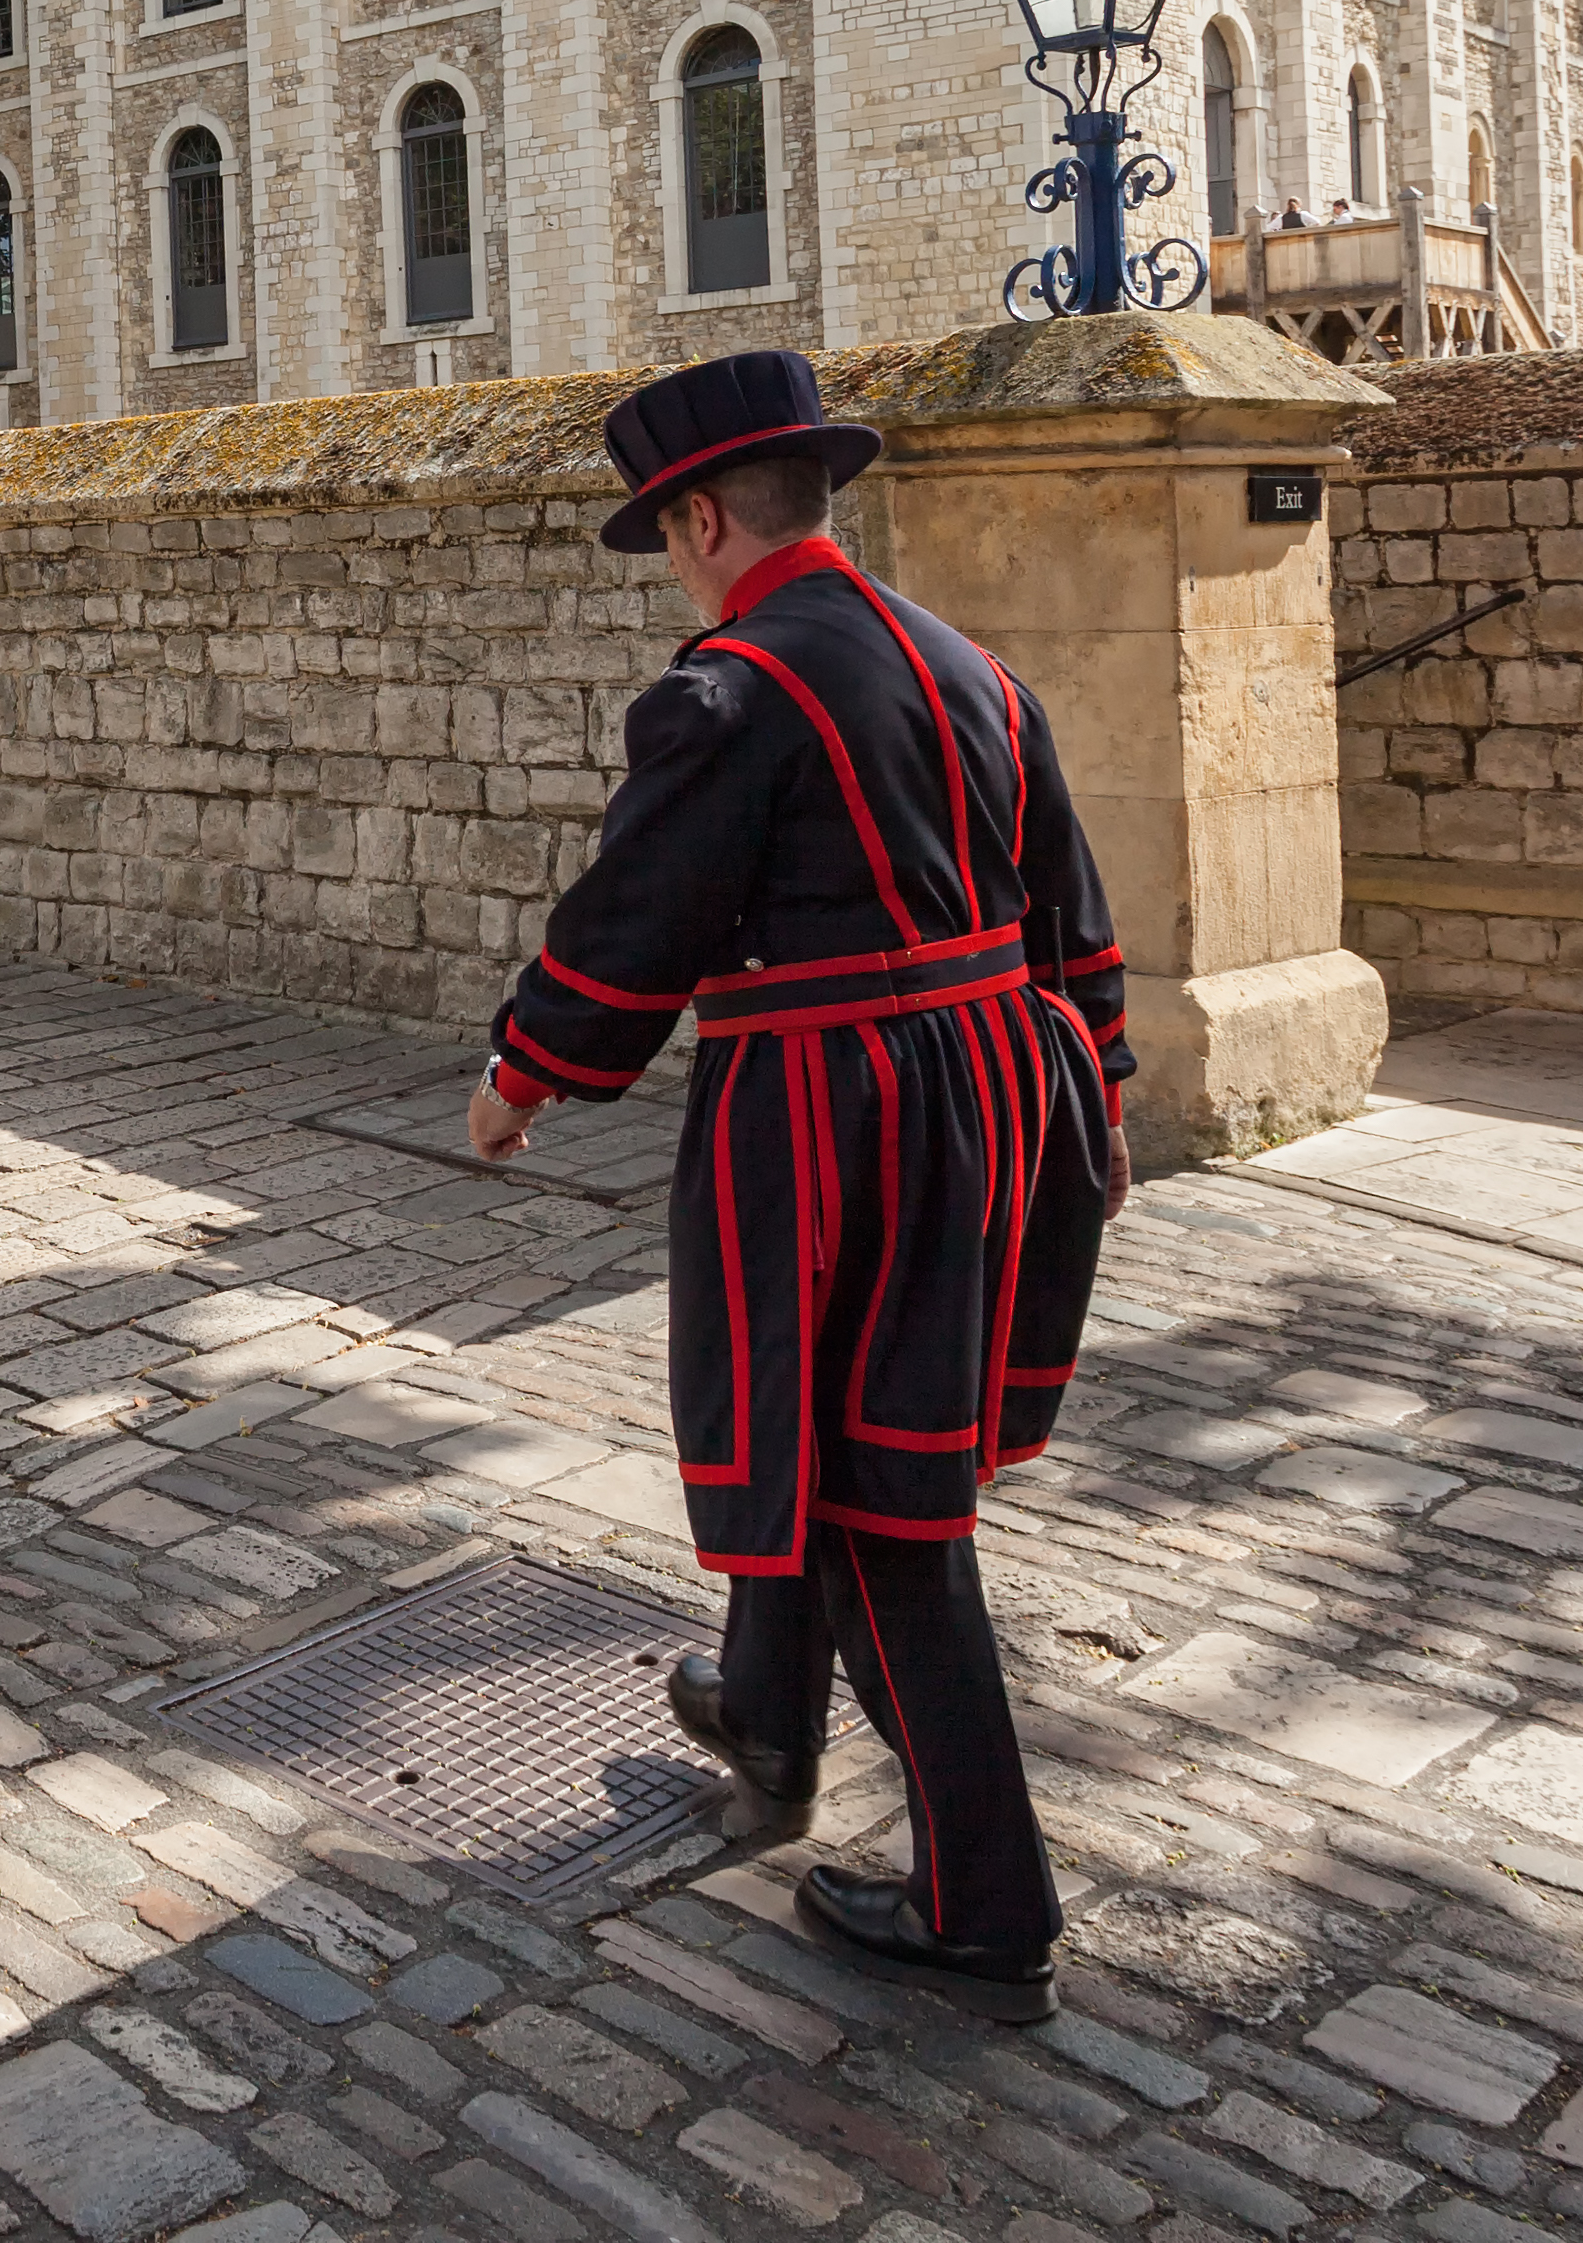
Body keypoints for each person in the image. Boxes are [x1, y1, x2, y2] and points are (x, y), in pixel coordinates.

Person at [467, 348, 1133, 2022]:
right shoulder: (967, 662)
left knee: (878, 1500)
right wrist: (1100, 1093)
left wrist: (523, 1069)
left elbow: (643, 914)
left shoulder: (731, 688)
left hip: (843, 1124)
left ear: (698, 517)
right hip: (998, 1090)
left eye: (667, 534)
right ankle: (768, 1714)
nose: (675, 563)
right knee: (826, 1427)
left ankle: (987, 1900)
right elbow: (1069, 897)